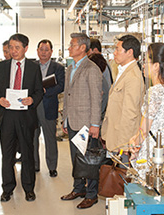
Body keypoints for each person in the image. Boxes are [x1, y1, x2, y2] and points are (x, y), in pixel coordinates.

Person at [0, 33, 43, 202]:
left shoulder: (34, 68)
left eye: (17, 47)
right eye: (11, 47)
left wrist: (32, 99)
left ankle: (29, 188)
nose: (13, 51)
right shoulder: (1, 67)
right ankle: (7, 188)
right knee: (7, 155)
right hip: (7, 116)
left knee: (27, 154)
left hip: (26, 116)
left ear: (25, 48)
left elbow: (39, 91)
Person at [61, 33, 102, 209]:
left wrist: (95, 124)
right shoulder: (70, 68)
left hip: (86, 123)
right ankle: (78, 188)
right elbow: (67, 96)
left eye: (72, 45)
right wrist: (64, 120)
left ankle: (92, 194)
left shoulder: (91, 69)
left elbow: (96, 99)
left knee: (89, 160)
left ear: (82, 48)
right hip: (72, 121)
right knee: (75, 158)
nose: (69, 47)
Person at [129, 42, 164, 182]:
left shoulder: (156, 91)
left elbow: (144, 130)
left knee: (152, 190)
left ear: (156, 66)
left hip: (154, 149)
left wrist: (134, 143)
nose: (143, 65)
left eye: (146, 61)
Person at [101, 35, 144, 166]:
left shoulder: (133, 77)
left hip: (122, 141)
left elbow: (130, 114)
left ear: (130, 52)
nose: (114, 53)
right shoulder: (123, 71)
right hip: (114, 135)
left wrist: (124, 145)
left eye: (118, 49)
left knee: (122, 177)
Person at [33, 39, 65, 177]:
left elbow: (61, 85)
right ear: (37, 51)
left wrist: (47, 91)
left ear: (51, 51)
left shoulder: (57, 68)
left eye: (46, 50)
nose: (44, 52)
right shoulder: (32, 66)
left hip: (49, 105)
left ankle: (52, 167)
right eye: (41, 49)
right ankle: (34, 165)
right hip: (33, 107)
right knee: (32, 138)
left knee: (50, 139)